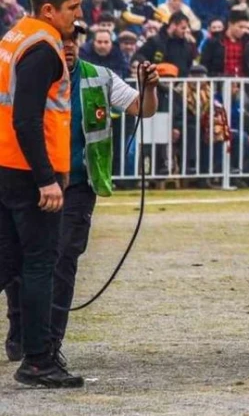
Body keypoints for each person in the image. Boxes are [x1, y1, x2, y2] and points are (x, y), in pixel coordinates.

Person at [5, 22, 158, 375]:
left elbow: (142, 109)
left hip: (77, 184)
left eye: (74, 40)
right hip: (33, 180)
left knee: (63, 260)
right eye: (63, 40)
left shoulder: (98, 77)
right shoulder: (31, 71)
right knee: (21, 260)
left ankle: (48, 346)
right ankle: (21, 327)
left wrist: (148, 88)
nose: (69, 46)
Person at [0, 0, 86, 387]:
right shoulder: (44, 48)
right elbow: (28, 119)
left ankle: (35, 355)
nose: (78, 16)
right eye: (73, 8)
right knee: (38, 265)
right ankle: (37, 361)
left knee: (7, 261)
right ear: (49, 9)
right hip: (27, 172)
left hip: (6, 166)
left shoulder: (16, 35)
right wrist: (46, 179)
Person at [200, 11, 249, 78]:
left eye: (247, 28)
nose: (244, 30)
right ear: (230, 24)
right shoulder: (214, 42)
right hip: (219, 84)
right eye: (241, 27)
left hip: (243, 84)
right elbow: (204, 66)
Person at [135, 12, 197, 77]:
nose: (185, 31)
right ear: (173, 25)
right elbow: (139, 56)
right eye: (183, 28)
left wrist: (193, 45)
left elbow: (190, 64)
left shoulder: (186, 45)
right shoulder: (155, 41)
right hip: (157, 83)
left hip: (180, 84)